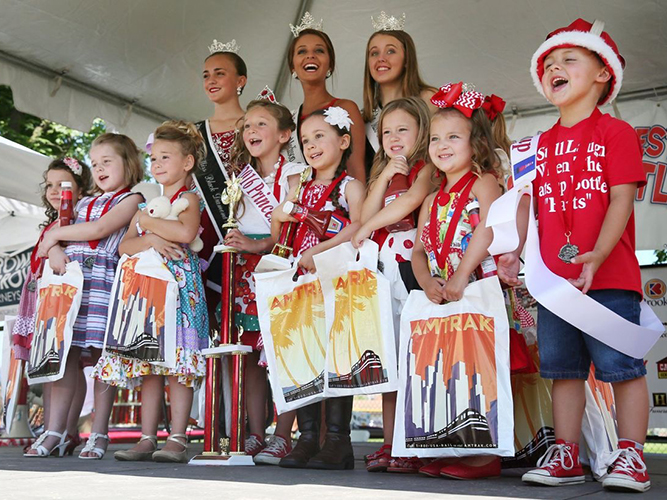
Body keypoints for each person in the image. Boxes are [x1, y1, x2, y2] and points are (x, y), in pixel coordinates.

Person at [497, 19, 651, 493]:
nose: (554, 68)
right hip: (554, 282)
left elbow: (622, 200)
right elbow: (524, 203)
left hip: (609, 275)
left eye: (569, 59)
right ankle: (566, 453)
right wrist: (512, 251)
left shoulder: (617, 132)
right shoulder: (536, 145)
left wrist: (598, 253)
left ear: (603, 74)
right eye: (547, 63)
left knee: (621, 368)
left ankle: (631, 455)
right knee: (562, 371)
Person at [94, 121, 210, 463]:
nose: (157, 164)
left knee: (177, 363)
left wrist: (146, 223)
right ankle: (147, 437)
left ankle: (177, 437)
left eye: (165, 157)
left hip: (180, 290)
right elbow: (125, 246)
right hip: (148, 291)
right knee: (149, 362)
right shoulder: (150, 202)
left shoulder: (188, 197)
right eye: (154, 158)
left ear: (187, 163)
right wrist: (151, 237)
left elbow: (186, 231)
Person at [26, 134, 144, 458]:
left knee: (102, 357)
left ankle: (100, 432)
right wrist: (52, 249)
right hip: (72, 282)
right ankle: (56, 430)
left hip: (104, 281)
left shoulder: (131, 200)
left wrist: (54, 236)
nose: (100, 168)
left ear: (128, 164)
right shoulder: (82, 201)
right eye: (95, 164)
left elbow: (98, 230)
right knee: (67, 355)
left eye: (108, 161)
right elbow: (56, 241)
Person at [411, 83, 506, 479]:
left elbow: (488, 229)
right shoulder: (432, 198)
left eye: (453, 136)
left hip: (480, 287)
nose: (442, 145)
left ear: (476, 143)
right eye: (435, 138)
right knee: (452, 372)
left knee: (482, 370)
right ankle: (453, 444)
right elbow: (418, 249)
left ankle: (486, 454)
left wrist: (463, 274)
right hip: (445, 296)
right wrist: (427, 281)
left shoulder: (484, 181)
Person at [271, 106, 365, 469]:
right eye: (305, 140)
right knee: (302, 354)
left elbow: (356, 227)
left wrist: (318, 251)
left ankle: (338, 441)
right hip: (298, 281)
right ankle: (307, 437)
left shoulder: (349, 186)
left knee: (334, 356)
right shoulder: (298, 187)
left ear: (343, 142)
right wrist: (282, 215)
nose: (310, 145)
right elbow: (281, 233)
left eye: (319, 137)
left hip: (332, 280)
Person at [350, 96, 434, 473]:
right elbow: (365, 212)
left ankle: (416, 441)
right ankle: (389, 441)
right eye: (386, 132)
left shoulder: (426, 166)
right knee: (390, 358)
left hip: (412, 264)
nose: (394, 137)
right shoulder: (384, 171)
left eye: (403, 129)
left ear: (421, 132)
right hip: (382, 268)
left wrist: (367, 228)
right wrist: (383, 176)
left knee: (416, 356)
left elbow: (414, 200)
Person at [225, 93, 307, 464]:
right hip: (246, 276)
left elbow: (292, 230)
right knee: (251, 356)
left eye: (261, 124)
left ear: (285, 135)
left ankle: (282, 433)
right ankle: (255, 432)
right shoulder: (240, 180)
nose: (251, 131)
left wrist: (254, 244)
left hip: (281, 271)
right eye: (247, 126)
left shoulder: (295, 175)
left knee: (281, 354)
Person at [12, 157, 93, 455]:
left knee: (67, 359)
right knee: (47, 361)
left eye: (63, 184)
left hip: (63, 294)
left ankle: (66, 429)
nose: (55, 190)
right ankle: (55, 428)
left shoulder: (80, 219)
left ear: (81, 189)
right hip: (41, 292)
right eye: (49, 185)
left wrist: (55, 243)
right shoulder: (51, 224)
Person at [285, 12, 366, 183]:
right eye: (302, 51)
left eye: (319, 50)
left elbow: (356, 170)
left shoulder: (345, 108)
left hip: (338, 205)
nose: (310, 55)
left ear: (330, 63)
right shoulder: (290, 120)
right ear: (292, 67)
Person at [196, 39, 247, 298]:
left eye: (220, 73)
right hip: (205, 223)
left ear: (241, 81)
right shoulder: (193, 132)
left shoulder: (255, 122)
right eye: (206, 75)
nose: (211, 80)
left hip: (249, 217)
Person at [362, 11, 437, 173]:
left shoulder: (429, 99)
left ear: (406, 59)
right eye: (374, 53)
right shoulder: (365, 118)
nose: (381, 58)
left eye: (390, 51)